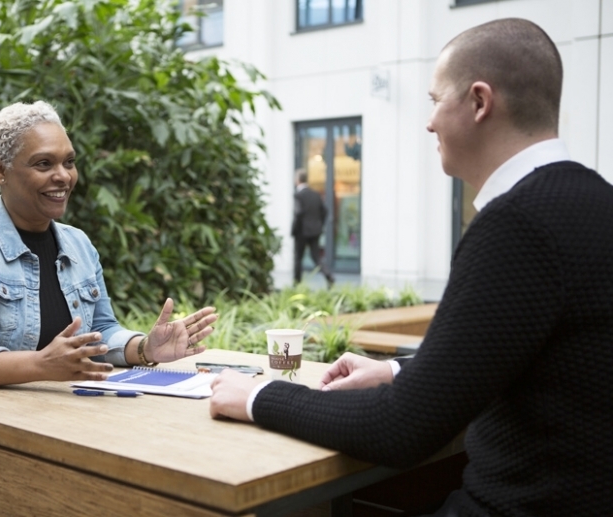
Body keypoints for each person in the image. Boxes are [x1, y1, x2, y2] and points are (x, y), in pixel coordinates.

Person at [210, 18, 613, 516]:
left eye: (435, 100)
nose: (428, 122)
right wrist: (395, 371)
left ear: (479, 102)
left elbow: (400, 429)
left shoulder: (519, 224)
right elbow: (518, 355)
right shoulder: (593, 202)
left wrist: (258, 395)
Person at [0, 101, 217, 387]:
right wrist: (38, 365)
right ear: (0, 170)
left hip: (61, 409)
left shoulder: (78, 244)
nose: (63, 176)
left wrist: (144, 348)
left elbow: (100, 331)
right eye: (44, 163)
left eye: (69, 162)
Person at [292, 168, 334, 286]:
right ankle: (328, 276)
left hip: (301, 232)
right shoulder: (315, 194)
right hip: (315, 231)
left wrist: (294, 230)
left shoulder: (298, 195)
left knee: (298, 258)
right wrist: (319, 224)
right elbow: (325, 211)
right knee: (316, 257)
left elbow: (298, 213)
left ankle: (296, 284)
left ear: (298, 180)